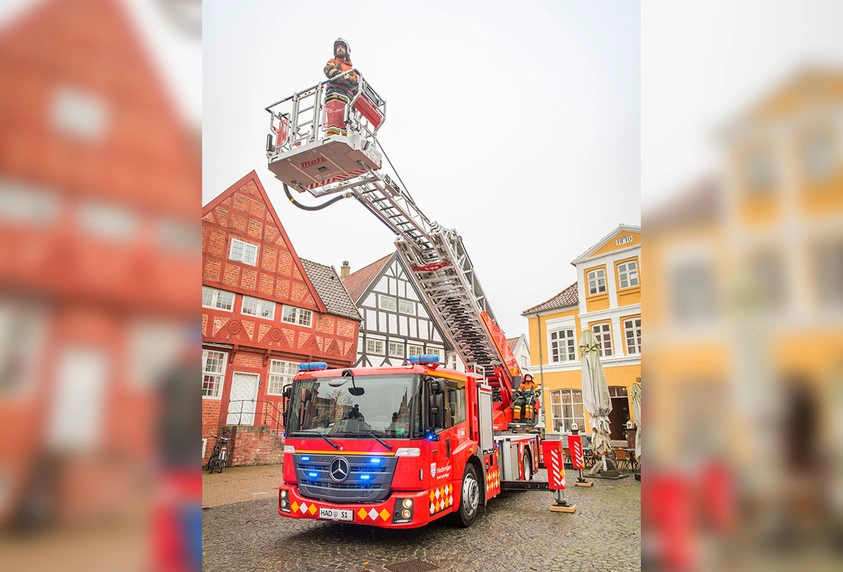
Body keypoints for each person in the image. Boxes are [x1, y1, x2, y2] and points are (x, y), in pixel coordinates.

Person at [323, 37, 359, 136]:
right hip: (334, 96)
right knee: (333, 127)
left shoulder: (353, 71)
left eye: (342, 47)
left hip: (348, 101)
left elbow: (357, 86)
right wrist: (345, 76)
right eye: (338, 47)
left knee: (346, 129)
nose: (339, 49)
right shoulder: (333, 62)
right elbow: (329, 71)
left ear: (347, 51)